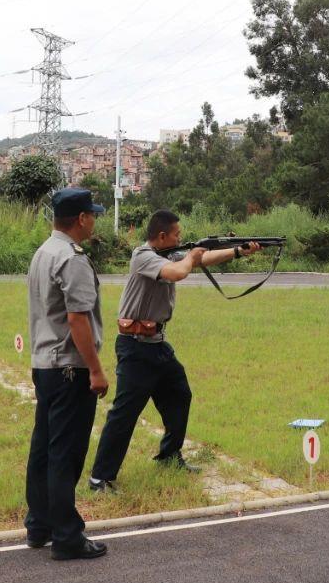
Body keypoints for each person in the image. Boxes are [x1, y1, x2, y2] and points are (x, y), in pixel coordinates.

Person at [88, 209, 259, 493]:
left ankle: (169, 455)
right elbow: (180, 271)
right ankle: (100, 478)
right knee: (125, 413)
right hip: (135, 347)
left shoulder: (169, 254)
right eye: (177, 234)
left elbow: (202, 258)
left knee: (180, 394)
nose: (181, 238)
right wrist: (191, 256)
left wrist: (237, 251)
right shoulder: (143, 256)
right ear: (162, 236)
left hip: (157, 344)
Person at [24, 188, 110, 561]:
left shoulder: (44, 252)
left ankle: (39, 525)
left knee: (43, 449)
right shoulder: (72, 259)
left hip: (45, 364)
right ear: (81, 219)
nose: (95, 221)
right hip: (70, 367)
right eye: (93, 215)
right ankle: (67, 536)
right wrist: (96, 370)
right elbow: (77, 320)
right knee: (65, 454)